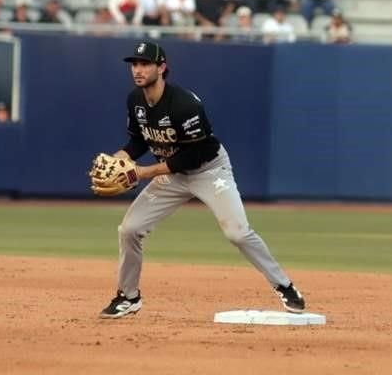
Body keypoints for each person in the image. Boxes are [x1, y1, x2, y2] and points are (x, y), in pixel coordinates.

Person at [97, 41, 306, 318]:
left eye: (145, 63)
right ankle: (128, 296)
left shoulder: (184, 104)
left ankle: (284, 285)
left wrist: (142, 172)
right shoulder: (135, 100)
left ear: (162, 68)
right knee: (129, 229)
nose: (138, 69)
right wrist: (119, 158)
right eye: (134, 64)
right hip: (171, 175)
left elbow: (192, 156)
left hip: (208, 170)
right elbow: (139, 141)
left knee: (238, 233)